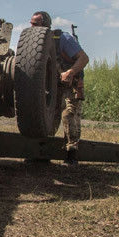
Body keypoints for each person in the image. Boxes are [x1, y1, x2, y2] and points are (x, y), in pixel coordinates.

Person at [30, 11, 89, 166]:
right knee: (49, 115)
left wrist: (70, 72)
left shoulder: (63, 39)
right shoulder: (35, 44)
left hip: (71, 82)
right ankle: (43, 152)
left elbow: (84, 58)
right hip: (54, 84)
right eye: (31, 23)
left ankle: (72, 155)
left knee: (69, 114)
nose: (32, 26)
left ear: (45, 25)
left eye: (35, 24)